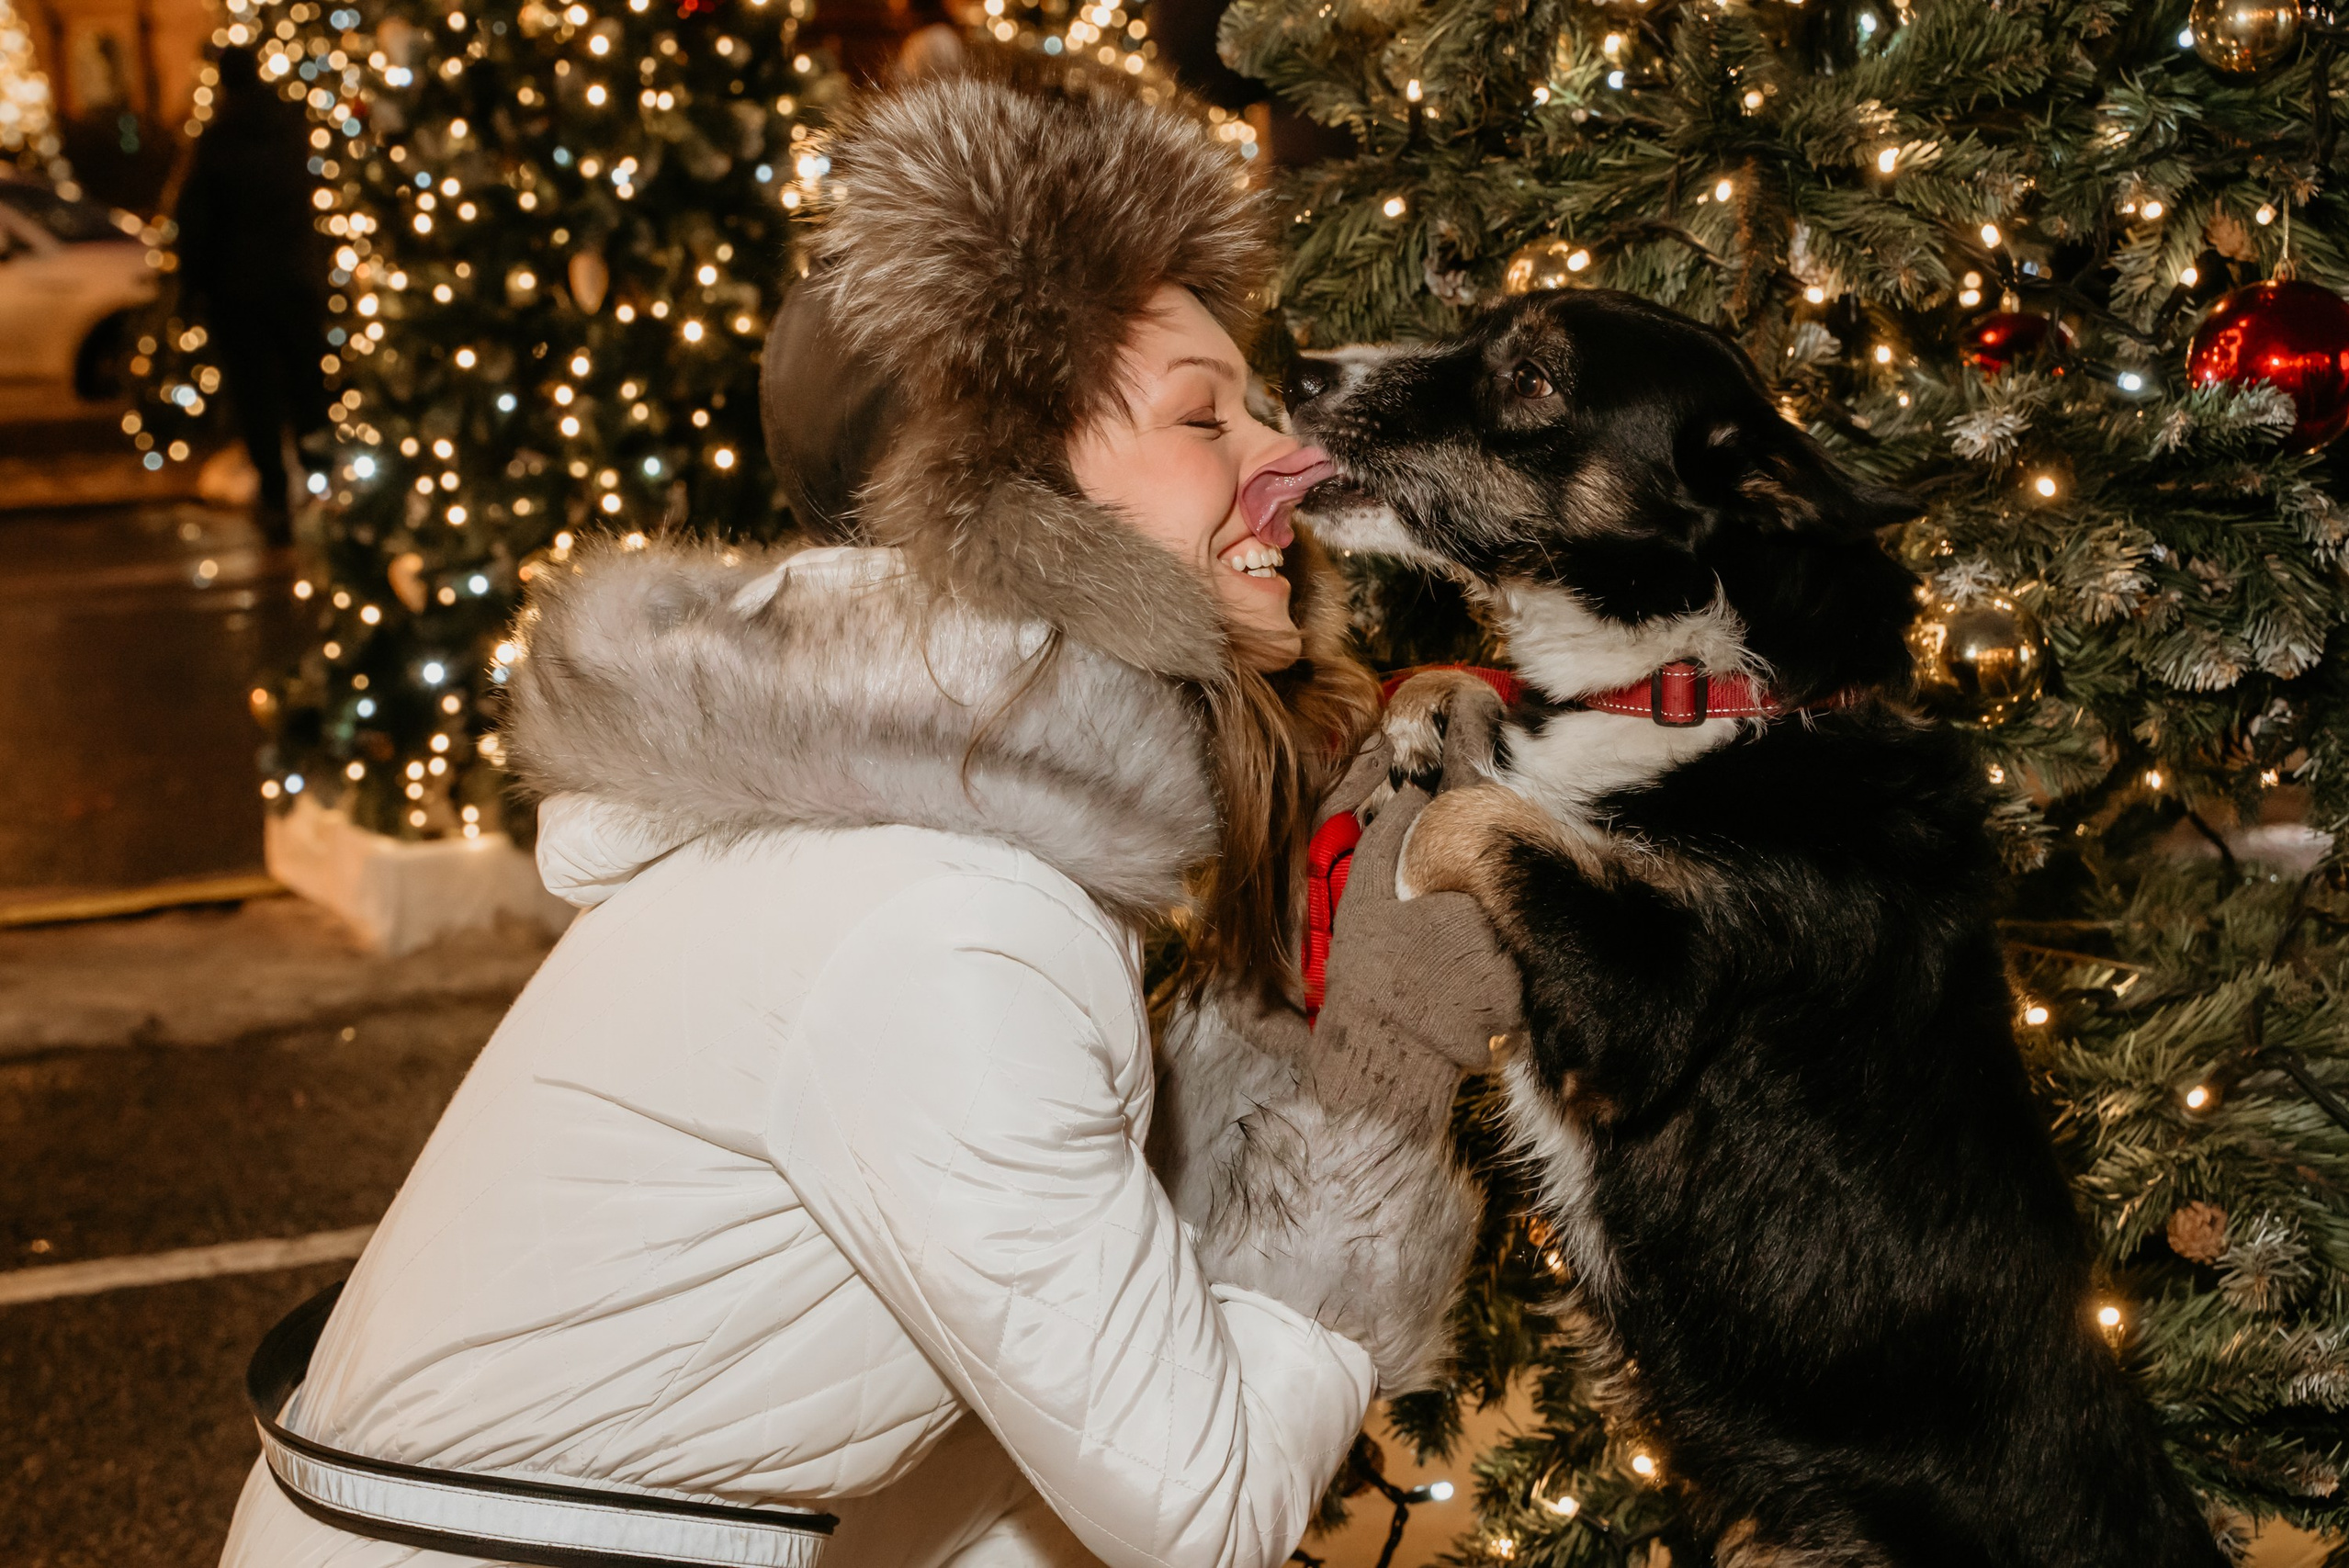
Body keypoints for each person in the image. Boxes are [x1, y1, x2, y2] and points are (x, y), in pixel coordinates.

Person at [220, 74, 1519, 1568]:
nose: (1288, 456)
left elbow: (1044, 1445)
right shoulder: (945, 917)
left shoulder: (919, 854)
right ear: (1008, 500)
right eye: (1202, 415)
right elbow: (1202, 1513)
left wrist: (1272, 1032)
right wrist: (1382, 1067)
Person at [173, 45, 328, 546]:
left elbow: (195, 222)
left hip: (239, 292)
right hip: (294, 282)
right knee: (307, 389)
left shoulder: (218, 142)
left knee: (257, 397)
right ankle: (322, 487)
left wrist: (192, 287)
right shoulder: (289, 132)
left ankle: (278, 496)